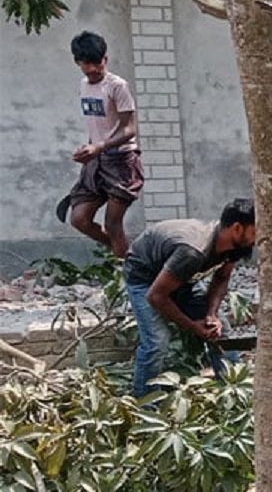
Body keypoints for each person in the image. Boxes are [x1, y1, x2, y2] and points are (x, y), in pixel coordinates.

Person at [123, 199, 256, 397]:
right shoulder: (193, 251)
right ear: (237, 228)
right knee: (157, 341)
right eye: (255, 231)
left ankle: (235, 393)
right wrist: (194, 326)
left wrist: (211, 315)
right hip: (146, 280)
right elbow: (156, 297)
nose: (258, 238)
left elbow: (221, 278)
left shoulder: (234, 246)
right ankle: (144, 401)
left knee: (221, 330)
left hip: (180, 279)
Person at [58, 31, 144, 258]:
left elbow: (129, 129)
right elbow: (98, 126)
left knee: (113, 223)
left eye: (98, 62)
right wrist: (88, 150)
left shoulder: (117, 86)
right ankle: (131, 257)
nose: (94, 68)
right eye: (87, 64)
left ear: (105, 58)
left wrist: (99, 147)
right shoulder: (84, 85)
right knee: (79, 219)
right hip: (97, 160)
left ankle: (129, 271)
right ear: (78, 62)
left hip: (121, 161)